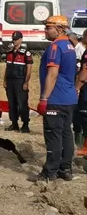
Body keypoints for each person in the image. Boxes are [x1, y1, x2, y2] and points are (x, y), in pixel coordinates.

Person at [34, 15, 78, 182]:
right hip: (69, 98)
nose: (45, 30)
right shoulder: (70, 46)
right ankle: (65, 169)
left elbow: (52, 74)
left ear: (59, 29)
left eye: (48, 27)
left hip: (56, 98)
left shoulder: (55, 47)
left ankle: (49, 172)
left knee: (53, 135)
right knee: (67, 134)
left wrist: (44, 98)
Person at [3, 31, 32, 133]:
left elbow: (29, 68)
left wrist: (26, 82)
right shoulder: (10, 52)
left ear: (21, 39)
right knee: (12, 103)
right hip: (10, 81)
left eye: (16, 39)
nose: (14, 41)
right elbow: (7, 67)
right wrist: (5, 80)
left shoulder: (25, 53)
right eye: (13, 39)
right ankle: (14, 123)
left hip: (20, 81)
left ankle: (25, 124)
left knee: (22, 103)